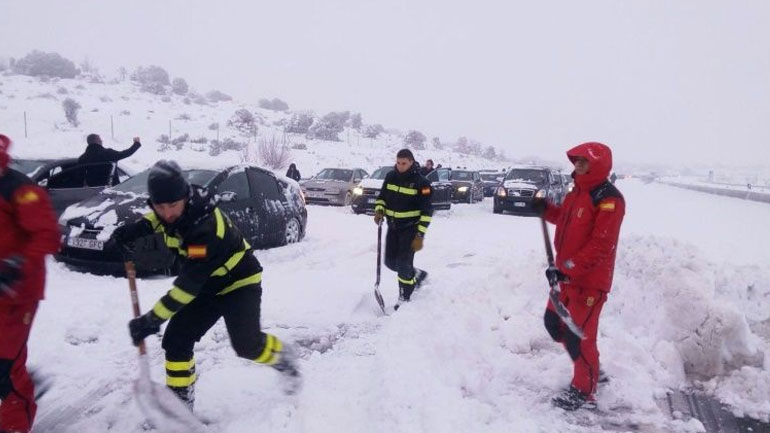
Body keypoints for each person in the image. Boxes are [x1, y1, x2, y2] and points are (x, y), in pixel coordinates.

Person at [110, 160, 301, 410]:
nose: (167, 213)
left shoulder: (205, 229)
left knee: (247, 345)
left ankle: (282, 357)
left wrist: (152, 319)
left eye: (173, 205)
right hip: (207, 284)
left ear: (186, 198)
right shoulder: (177, 208)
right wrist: (138, 228)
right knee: (176, 342)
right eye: (160, 206)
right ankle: (180, 403)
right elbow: (164, 220)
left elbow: (187, 287)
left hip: (238, 282)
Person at [534, 142, 625, 411]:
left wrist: (567, 268)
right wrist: (545, 208)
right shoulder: (578, 192)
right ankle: (591, 366)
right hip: (565, 278)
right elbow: (565, 218)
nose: (577, 165)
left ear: (598, 164)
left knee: (578, 336)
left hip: (589, 282)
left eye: (583, 162)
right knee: (554, 323)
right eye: (576, 161)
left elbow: (601, 245)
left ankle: (584, 389)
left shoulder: (609, 198)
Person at [0, 134, 60, 433]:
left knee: (5, 370)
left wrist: (16, 265)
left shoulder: (20, 189)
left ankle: (15, 424)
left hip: (17, 293)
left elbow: (48, 234)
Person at [374, 149, 433, 307]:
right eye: (398, 163)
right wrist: (379, 210)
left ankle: (404, 296)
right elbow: (382, 198)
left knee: (402, 264)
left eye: (404, 163)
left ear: (411, 162)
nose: (400, 166)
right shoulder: (390, 176)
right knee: (390, 262)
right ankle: (416, 275)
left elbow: (427, 211)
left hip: (410, 229)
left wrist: (420, 234)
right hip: (392, 226)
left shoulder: (422, 183)